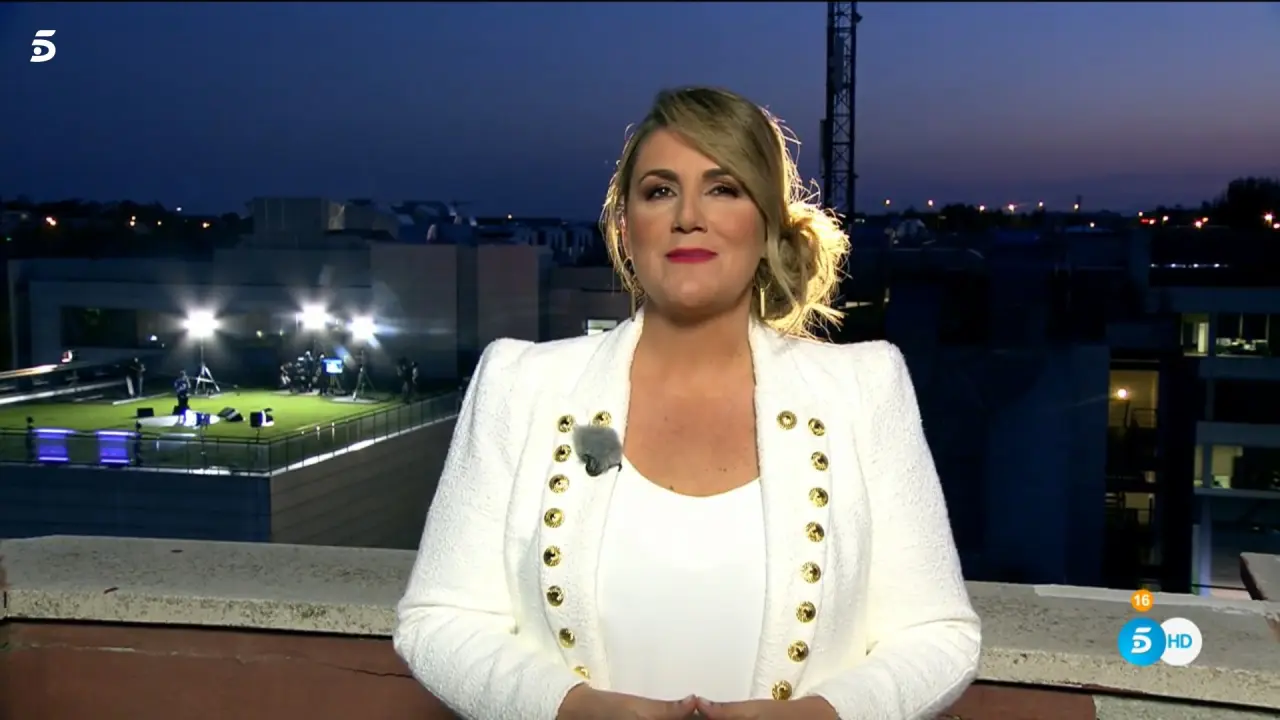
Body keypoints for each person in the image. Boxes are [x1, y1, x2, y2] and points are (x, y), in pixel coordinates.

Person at [394, 87, 981, 720]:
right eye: (659, 191)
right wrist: (571, 709)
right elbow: (440, 620)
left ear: (768, 224)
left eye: (723, 188)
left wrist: (820, 715)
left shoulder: (864, 390)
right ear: (625, 227)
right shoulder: (520, 384)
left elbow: (937, 634)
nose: (688, 217)